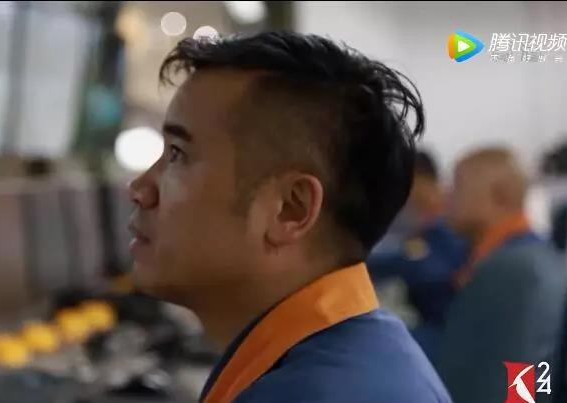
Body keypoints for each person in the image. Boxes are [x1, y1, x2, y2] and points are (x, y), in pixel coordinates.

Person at [128, 32, 450, 403]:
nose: (139, 189)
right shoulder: (358, 356)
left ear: (290, 209)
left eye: (177, 154)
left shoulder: (307, 393)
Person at [438, 147, 567, 403]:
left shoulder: (514, 269)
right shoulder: (531, 257)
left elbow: (524, 369)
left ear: (500, 195)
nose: (447, 196)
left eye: (458, 186)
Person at [367, 150, 468, 363]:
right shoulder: (420, 224)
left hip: (446, 334)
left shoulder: (450, 226)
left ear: (419, 179)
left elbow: (432, 272)